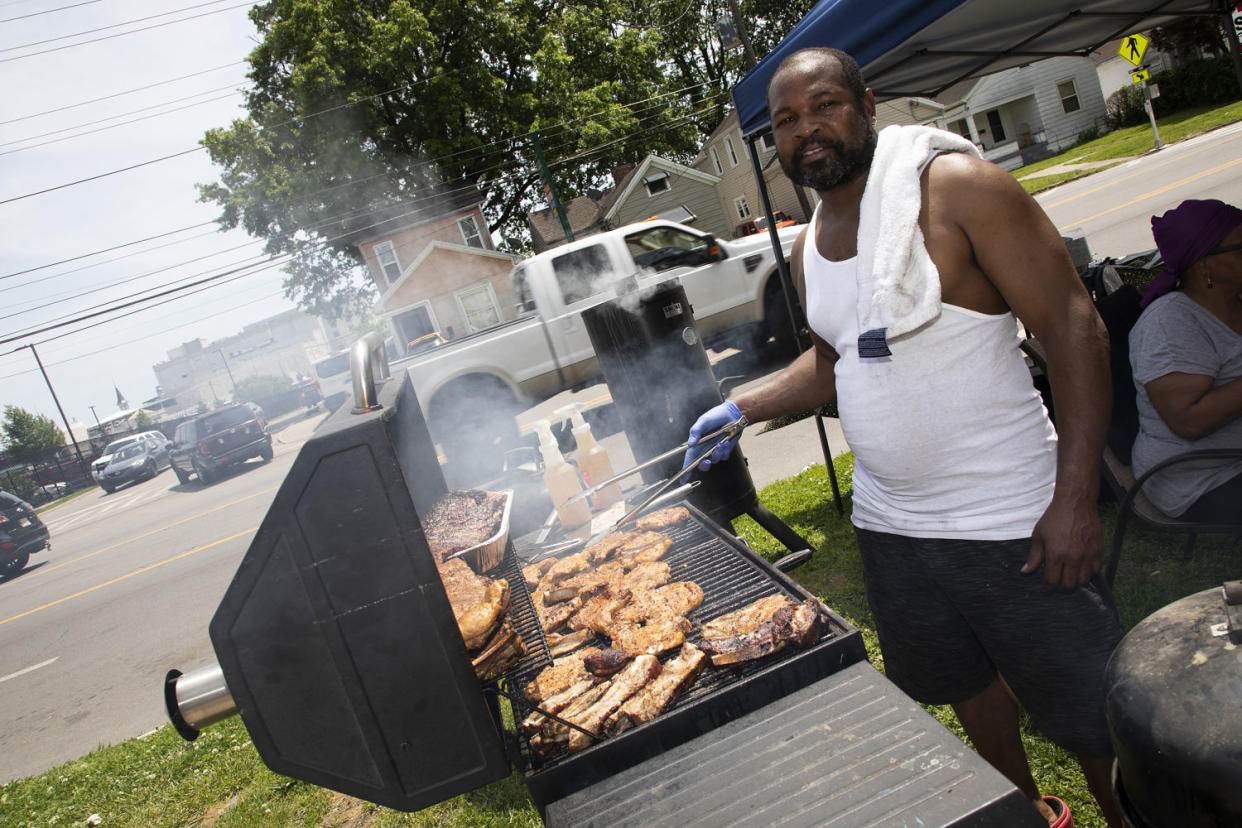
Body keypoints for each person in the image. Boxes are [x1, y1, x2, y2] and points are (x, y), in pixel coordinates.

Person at [685, 48, 1121, 827]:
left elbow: (1073, 325)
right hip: (894, 529)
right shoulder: (807, 242)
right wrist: (741, 406)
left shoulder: (957, 189)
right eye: (786, 120)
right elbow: (832, 359)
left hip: (1010, 516)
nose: (806, 130)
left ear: (868, 104)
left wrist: (1076, 497)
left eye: (824, 106)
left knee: (1088, 707)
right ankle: (1023, 813)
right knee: (966, 685)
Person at [1129, 199, 1242, 521]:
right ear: (1204, 264)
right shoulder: (1171, 322)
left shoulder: (1235, 300)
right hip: (1202, 479)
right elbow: (1189, 419)